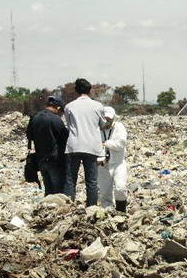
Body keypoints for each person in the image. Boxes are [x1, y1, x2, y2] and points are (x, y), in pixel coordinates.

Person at [63, 78, 105, 206]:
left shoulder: (69, 106)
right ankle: (91, 207)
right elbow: (102, 125)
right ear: (90, 90)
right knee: (91, 181)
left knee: (70, 180)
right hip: (91, 146)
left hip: (74, 145)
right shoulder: (98, 106)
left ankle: (68, 206)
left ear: (76, 90)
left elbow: (69, 126)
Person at [26, 96, 69, 195]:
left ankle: (48, 208)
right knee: (59, 191)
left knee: (48, 189)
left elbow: (30, 136)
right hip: (55, 160)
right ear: (57, 107)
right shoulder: (55, 119)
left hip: (40, 160)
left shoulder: (35, 118)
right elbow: (65, 136)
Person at [98, 106, 128, 212]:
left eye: (109, 118)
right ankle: (108, 212)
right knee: (105, 192)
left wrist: (105, 143)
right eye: (105, 118)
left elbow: (121, 144)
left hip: (118, 163)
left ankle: (121, 211)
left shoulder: (119, 127)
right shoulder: (97, 128)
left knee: (120, 187)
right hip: (103, 164)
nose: (107, 121)